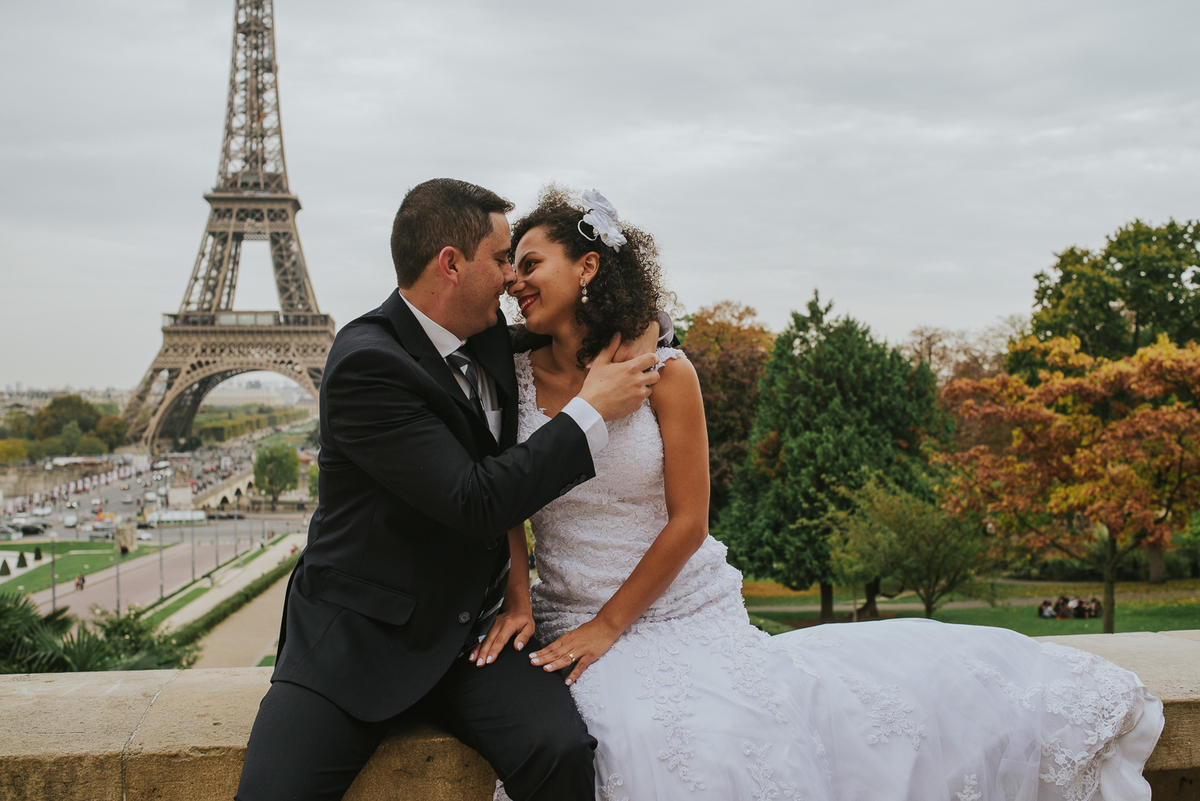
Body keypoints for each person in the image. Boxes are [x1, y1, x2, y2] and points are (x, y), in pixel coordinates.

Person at [479, 186, 1164, 801]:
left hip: (676, 607)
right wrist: (520, 595)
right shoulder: (505, 374)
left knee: (714, 736)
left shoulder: (667, 371)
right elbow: (504, 494)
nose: (515, 282)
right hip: (567, 608)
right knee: (619, 735)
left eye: (530, 263)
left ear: (589, 266)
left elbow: (690, 521)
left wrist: (611, 625)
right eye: (511, 267)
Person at [235, 179, 665, 801]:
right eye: (500, 260)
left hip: (477, 635)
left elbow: (574, 328)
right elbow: (477, 501)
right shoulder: (366, 363)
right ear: (451, 263)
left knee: (561, 752)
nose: (512, 280)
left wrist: (646, 328)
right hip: (360, 639)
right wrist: (589, 411)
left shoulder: (486, 335)